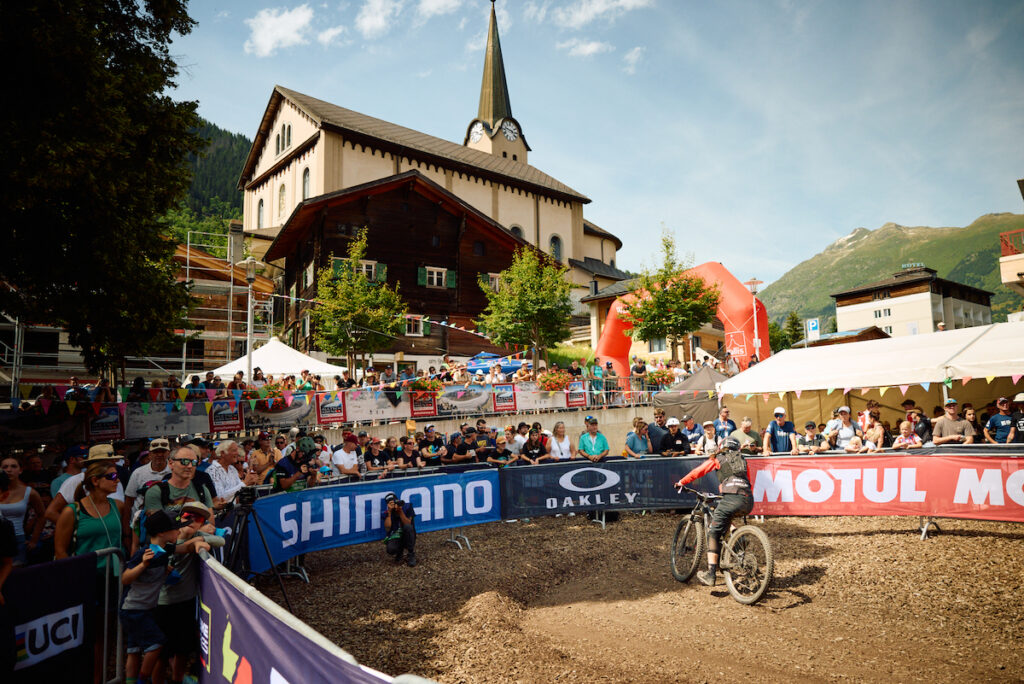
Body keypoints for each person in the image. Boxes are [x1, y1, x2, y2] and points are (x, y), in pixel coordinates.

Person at [53, 459, 124, 683]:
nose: (117, 480)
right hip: (84, 580)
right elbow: (61, 551)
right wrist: (72, 582)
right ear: (95, 480)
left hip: (111, 579)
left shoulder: (118, 507)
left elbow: (126, 537)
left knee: (107, 634)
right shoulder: (71, 511)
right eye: (111, 477)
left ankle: (99, 677)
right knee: (84, 635)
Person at [119, 510, 191, 684]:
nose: (179, 532)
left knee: (134, 649)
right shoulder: (146, 553)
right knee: (157, 643)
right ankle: (143, 680)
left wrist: (202, 541)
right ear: (161, 532)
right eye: (175, 529)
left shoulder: (164, 550)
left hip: (140, 609)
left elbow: (185, 547)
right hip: (135, 609)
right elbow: (125, 578)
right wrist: (143, 565)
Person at [675, 437, 753, 587]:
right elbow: (748, 481)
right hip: (747, 499)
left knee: (713, 532)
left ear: (721, 447)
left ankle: (711, 574)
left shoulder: (719, 458)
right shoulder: (742, 460)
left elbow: (698, 471)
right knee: (724, 515)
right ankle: (737, 536)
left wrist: (682, 482)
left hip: (731, 497)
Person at [0, 456, 46, 565]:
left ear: (20, 470)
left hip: (17, 538)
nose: (9, 469)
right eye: (5, 467)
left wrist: (34, 539)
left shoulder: (29, 492)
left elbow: (42, 515)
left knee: (16, 576)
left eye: (13, 466)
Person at [124, 438, 172, 523]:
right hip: (141, 523)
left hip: (169, 522)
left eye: (163, 451)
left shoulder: (174, 471)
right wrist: (127, 530)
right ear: (149, 454)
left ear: (169, 453)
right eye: (156, 452)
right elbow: (129, 501)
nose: (159, 454)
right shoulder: (138, 473)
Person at [382, 492, 416, 567]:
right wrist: (390, 513)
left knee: (408, 527)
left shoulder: (407, 507)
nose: (393, 505)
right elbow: (387, 529)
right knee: (390, 550)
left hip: (407, 535)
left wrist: (400, 512)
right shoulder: (386, 513)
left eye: (394, 502)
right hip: (395, 535)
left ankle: (411, 554)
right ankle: (399, 551)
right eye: (390, 503)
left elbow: (408, 523)